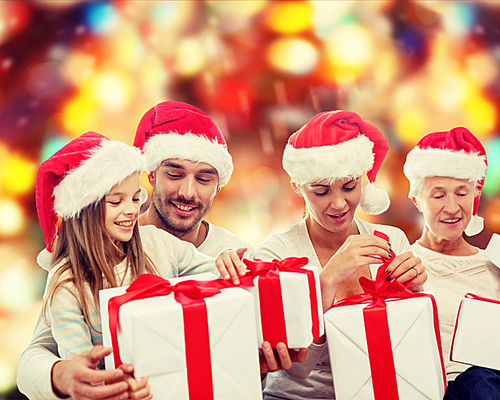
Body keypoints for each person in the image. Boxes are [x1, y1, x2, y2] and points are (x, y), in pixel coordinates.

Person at [17, 103, 299, 399]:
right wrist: (60, 376)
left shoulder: (234, 255)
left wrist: (261, 368)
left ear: (218, 186)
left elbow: (252, 366)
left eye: (204, 179)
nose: (188, 192)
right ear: (149, 176)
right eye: (174, 174)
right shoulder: (81, 264)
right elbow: (35, 357)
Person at [255, 110, 428, 399]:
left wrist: (416, 292)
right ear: (297, 186)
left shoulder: (391, 239)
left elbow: (411, 347)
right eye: (321, 191)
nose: (338, 204)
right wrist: (327, 280)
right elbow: (294, 370)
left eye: (349, 187)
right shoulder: (277, 254)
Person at [403, 127, 500, 400]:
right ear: (416, 200)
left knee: (480, 379)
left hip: (484, 389)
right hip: (419, 389)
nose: (452, 207)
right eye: (438, 195)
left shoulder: (494, 267)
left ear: (475, 197)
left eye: (461, 193)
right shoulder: (402, 265)